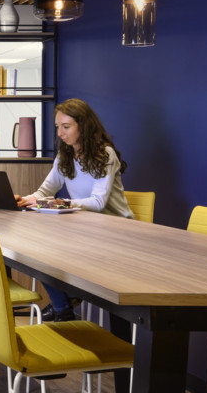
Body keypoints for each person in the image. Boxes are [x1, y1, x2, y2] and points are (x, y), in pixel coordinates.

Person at [17, 98, 133, 320]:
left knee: (49, 249)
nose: (60, 133)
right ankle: (64, 308)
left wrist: (61, 203)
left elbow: (98, 202)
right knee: (36, 250)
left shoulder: (104, 154)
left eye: (66, 127)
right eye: (58, 127)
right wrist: (25, 199)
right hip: (86, 228)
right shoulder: (66, 155)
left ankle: (65, 304)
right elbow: (45, 190)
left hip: (117, 232)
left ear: (84, 126)